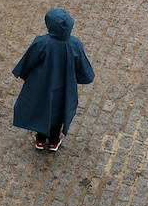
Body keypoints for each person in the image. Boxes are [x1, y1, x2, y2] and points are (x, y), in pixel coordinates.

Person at [12, 8, 94, 152]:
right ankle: (54, 141)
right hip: (64, 87)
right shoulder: (75, 44)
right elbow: (84, 69)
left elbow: (29, 61)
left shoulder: (42, 42)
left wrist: (26, 75)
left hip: (42, 84)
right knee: (59, 113)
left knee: (43, 109)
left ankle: (40, 139)